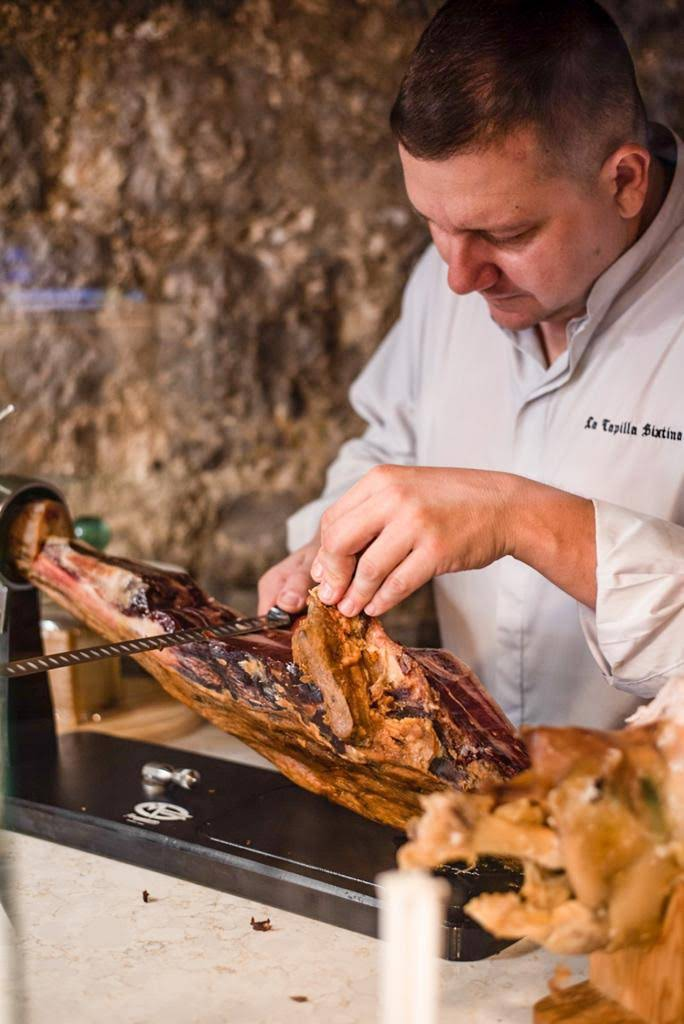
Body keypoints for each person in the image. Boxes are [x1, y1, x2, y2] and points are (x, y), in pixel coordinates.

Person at [258, 0, 684, 729]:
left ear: (625, 181)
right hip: (475, 807)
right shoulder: (449, 274)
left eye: (505, 231)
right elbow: (391, 444)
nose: (459, 278)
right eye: (435, 224)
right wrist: (326, 545)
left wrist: (516, 516)